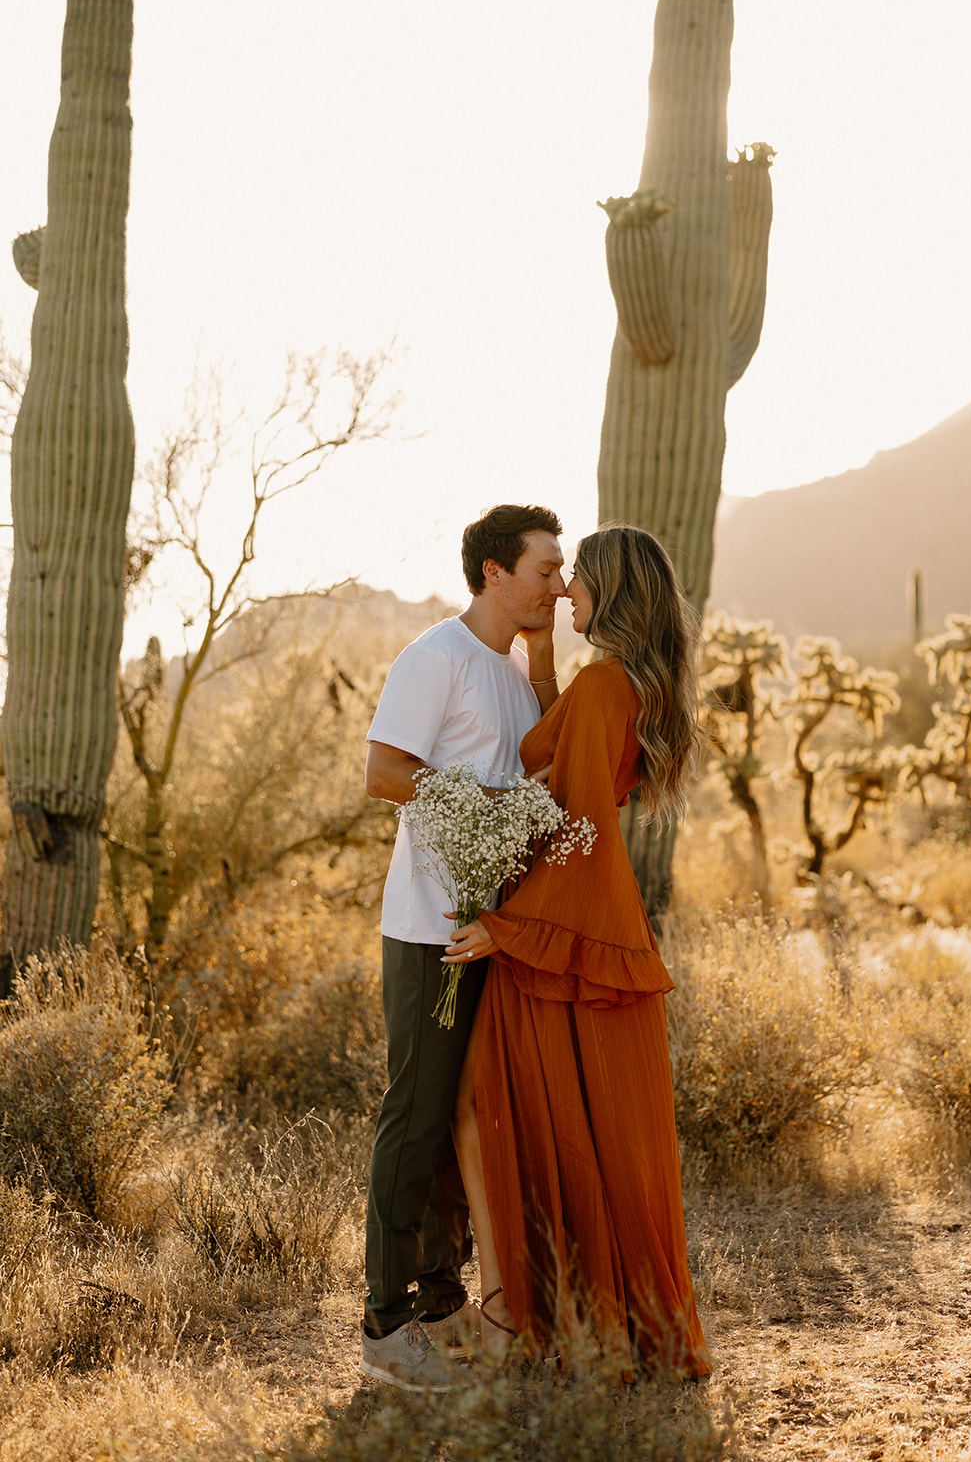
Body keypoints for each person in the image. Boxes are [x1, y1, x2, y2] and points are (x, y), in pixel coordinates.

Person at [448, 524, 711, 1382]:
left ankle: (535, 1326)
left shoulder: (605, 685)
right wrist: (541, 661)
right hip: (598, 938)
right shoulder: (629, 684)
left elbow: (579, 825)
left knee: (504, 1115)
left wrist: (509, 928)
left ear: (608, 589)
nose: (564, 593)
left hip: (566, 950)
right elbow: (570, 762)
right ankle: (600, 1334)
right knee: (595, 1141)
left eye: (576, 581)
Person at [359, 503, 566, 1392]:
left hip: (494, 931)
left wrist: (548, 655)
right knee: (415, 1116)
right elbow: (382, 772)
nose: (558, 584)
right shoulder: (434, 656)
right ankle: (383, 1327)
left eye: (561, 573)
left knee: (463, 1121)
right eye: (544, 570)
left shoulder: (517, 666)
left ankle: (443, 1304)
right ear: (493, 571)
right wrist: (481, 806)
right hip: (429, 930)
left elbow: (550, 752)